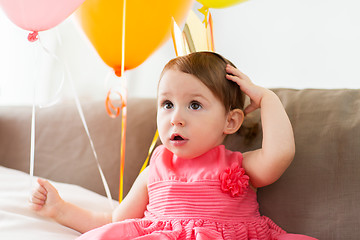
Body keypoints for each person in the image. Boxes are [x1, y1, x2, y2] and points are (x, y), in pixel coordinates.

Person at [30, 52, 317, 239]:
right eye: (167, 104)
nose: (176, 118)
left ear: (230, 122)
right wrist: (61, 210)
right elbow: (115, 220)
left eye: (194, 105)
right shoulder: (154, 172)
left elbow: (280, 154)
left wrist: (267, 99)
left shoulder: (237, 165)